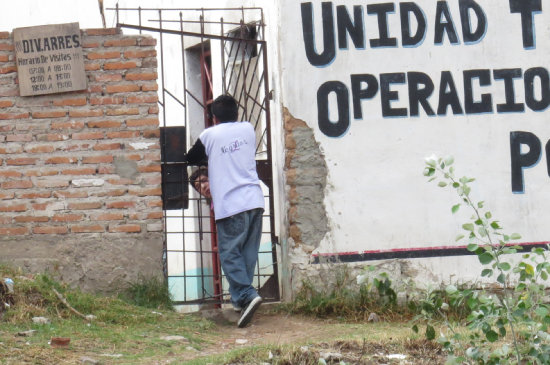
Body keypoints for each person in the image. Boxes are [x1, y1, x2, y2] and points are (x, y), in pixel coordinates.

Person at [185, 94, 264, 328]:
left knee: (230, 253)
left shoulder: (210, 135)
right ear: (237, 114)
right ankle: (241, 301)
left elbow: (191, 157)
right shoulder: (248, 129)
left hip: (230, 204)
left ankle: (247, 295)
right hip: (254, 200)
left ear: (214, 118)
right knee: (247, 254)